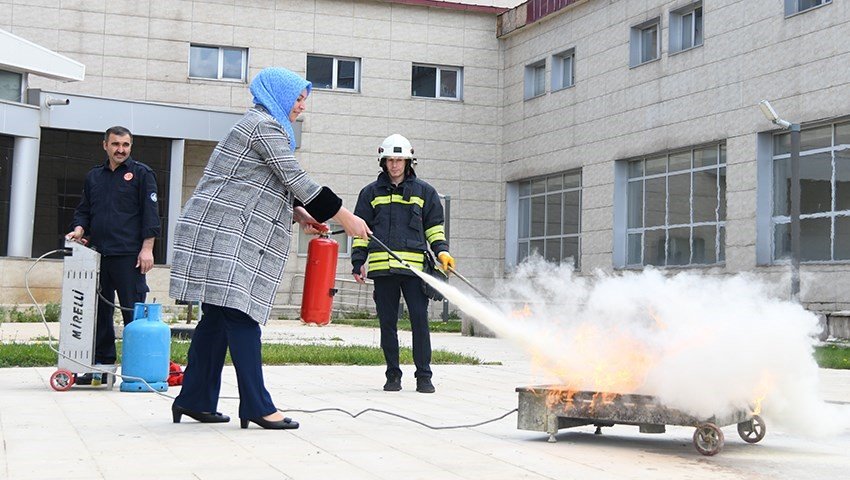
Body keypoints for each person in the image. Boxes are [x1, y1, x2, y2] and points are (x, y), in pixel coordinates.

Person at [169, 67, 370, 430]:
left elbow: (260, 184)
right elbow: (296, 179)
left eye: (304, 100)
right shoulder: (264, 126)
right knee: (242, 316)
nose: (302, 107)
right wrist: (348, 219)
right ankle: (258, 406)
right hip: (222, 233)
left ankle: (194, 399)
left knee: (216, 317)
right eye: (297, 99)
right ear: (278, 95)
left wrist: (300, 214)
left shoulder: (261, 125)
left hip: (222, 231)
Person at [351, 134, 455, 394]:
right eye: (390, 160)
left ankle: (424, 376)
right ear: (383, 162)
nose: (395, 165)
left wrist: (442, 253)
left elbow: (434, 229)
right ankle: (393, 376)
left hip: (414, 271)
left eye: (400, 160)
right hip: (383, 270)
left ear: (409, 162)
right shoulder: (370, 194)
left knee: (420, 321)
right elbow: (360, 232)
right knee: (388, 324)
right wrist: (357, 262)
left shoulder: (425, 192)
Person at [67, 126, 160, 373]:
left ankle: (138, 367)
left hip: (130, 256)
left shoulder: (142, 174)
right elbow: (84, 210)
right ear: (105, 145)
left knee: (133, 312)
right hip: (98, 256)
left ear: (130, 147)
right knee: (100, 313)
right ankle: (103, 362)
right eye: (116, 144)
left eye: (126, 145)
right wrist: (79, 229)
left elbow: (151, 215)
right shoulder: (94, 176)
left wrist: (147, 249)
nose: (121, 150)